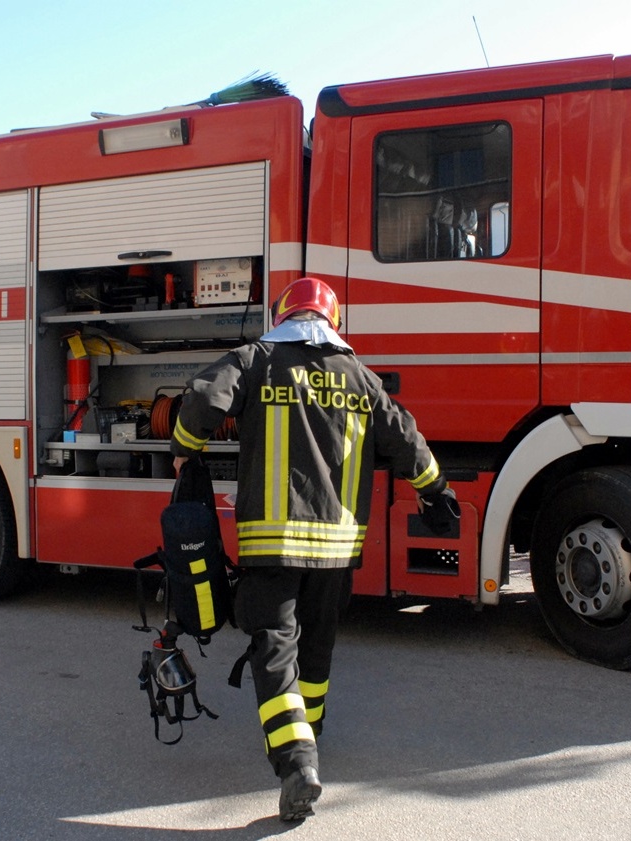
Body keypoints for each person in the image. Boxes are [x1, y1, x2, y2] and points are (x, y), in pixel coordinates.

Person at [170, 277, 458, 822]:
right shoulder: (362, 378)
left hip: (273, 544)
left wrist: (184, 451)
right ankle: (311, 734)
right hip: (336, 551)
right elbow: (406, 438)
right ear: (333, 323)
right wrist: (436, 492)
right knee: (317, 649)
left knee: (274, 647)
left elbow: (205, 398)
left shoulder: (256, 358)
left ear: (283, 316)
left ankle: (297, 760)